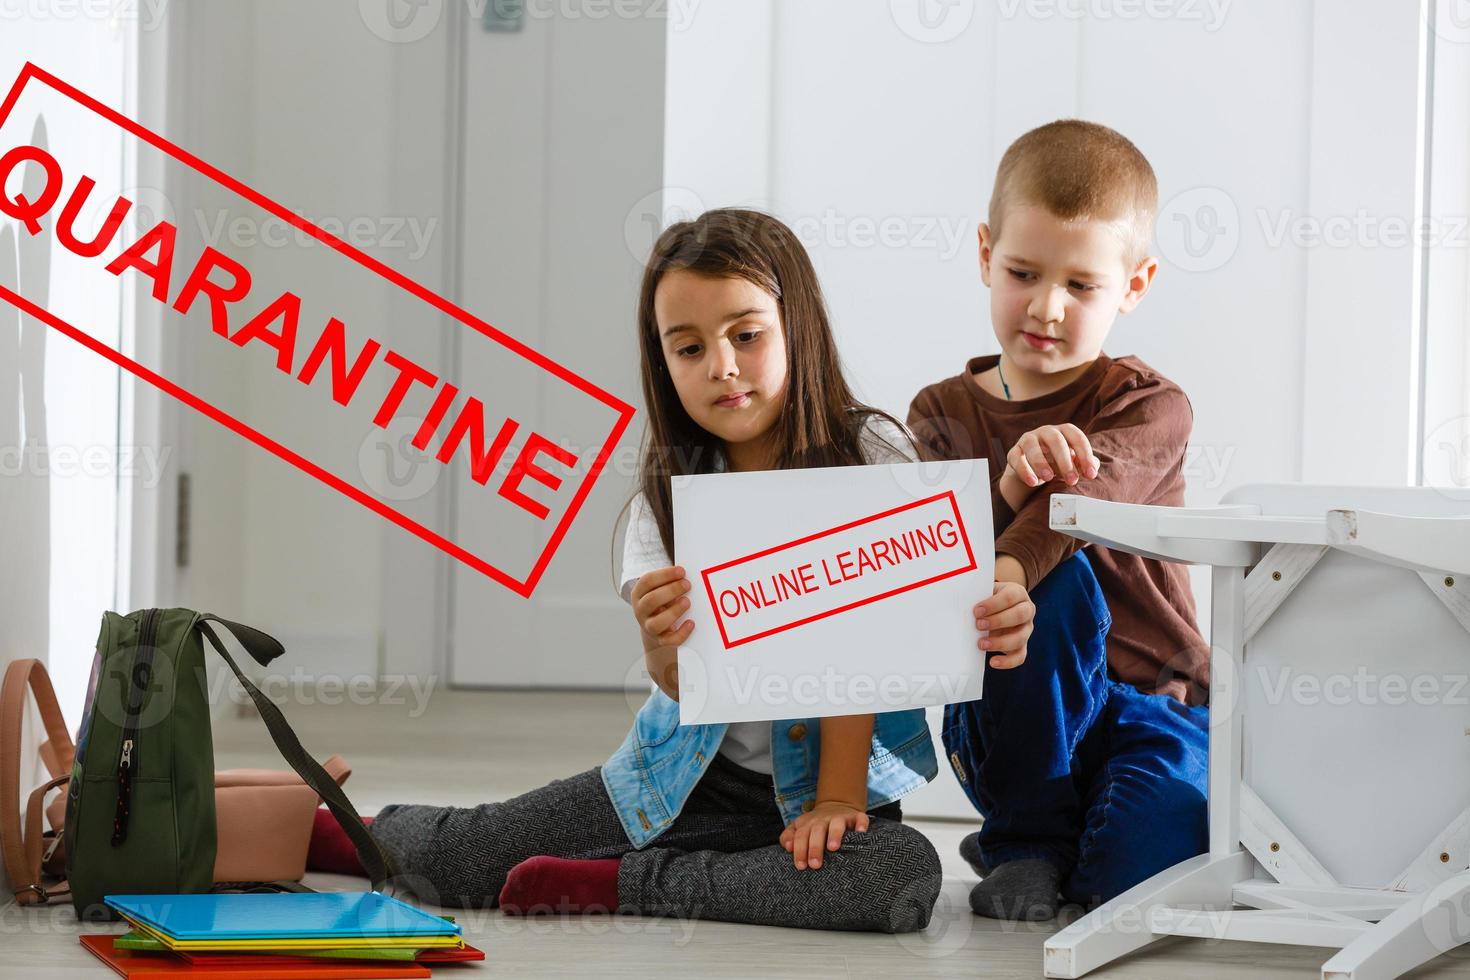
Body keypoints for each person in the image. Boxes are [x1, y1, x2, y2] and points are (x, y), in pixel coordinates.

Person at [312, 208, 1036, 933]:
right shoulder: (666, 498)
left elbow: (866, 652)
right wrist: (662, 642)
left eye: (746, 336)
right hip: (684, 783)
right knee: (461, 862)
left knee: (899, 876)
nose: (721, 366)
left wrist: (838, 798)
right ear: (663, 362)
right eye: (688, 349)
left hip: (836, 793)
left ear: (797, 328)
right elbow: (678, 678)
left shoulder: (875, 454)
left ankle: (627, 882)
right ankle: (305, 824)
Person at [908, 120, 1212, 922]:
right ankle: (1028, 837)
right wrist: (1003, 494)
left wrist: (1008, 552)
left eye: (1082, 286)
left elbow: (1079, 504)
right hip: (1010, 714)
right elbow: (928, 553)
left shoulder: (1149, 405)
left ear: (1135, 284)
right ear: (984, 254)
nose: (1045, 307)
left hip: (1150, 702)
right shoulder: (940, 414)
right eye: (1022, 272)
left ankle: (1059, 847)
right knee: (1054, 587)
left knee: (1135, 880)